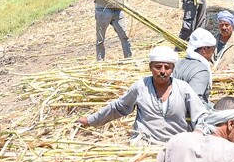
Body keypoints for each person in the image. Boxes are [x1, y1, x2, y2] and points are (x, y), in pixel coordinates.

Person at [78, 46, 206, 145]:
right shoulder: (140, 87)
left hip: (175, 146)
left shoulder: (183, 88)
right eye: (158, 67)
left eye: (167, 67)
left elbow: (200, 114)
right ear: (150, 67)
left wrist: (198, 132)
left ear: (172, 69)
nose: (162, 71)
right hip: (145, 145)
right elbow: (118, 107)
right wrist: (91, 120)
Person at [173, 28, 217, 105]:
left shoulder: (178, 63)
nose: (213, 53)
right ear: (204, 49)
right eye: (213, 49)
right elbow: (195, 102)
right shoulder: (201, 71)